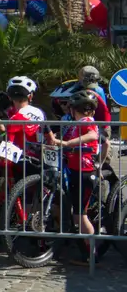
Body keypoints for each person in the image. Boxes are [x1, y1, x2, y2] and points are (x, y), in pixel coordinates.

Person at [49, 87, 102, 248]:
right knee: (77, 213)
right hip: (75, 170)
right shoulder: (75, 124)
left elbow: (93, 135)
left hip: (84, 172)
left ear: (73, 109)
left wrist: (66, 143)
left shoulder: (87, 122)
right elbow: (61, 139)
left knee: (81, 215)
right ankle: (83, 249)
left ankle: (92, 256)